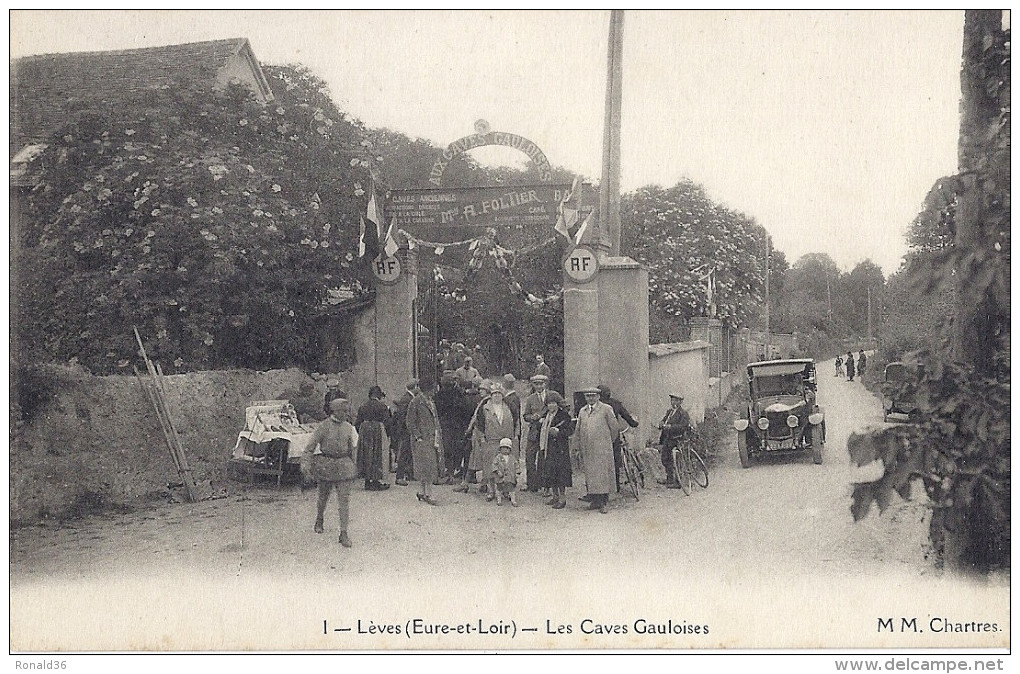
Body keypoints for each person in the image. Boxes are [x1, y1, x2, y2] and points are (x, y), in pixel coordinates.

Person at [302, 397, 358, 547]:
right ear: (335, 411)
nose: (346, 414)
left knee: (344, 501)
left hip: (344, 466)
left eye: (347, 411)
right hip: (326, 465)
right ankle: (319, 518)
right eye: (343, 411)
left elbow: (353, 449)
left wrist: (354, 467)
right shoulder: (323, 427)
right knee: (323, 498)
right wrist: (305, 466)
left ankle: (344, 533)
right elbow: (309, 448)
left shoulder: (349, 427)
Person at [574, 386, 619, 514]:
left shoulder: (606, 409)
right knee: (590, 474)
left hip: (602, 448)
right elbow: (578, 430)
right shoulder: (582, 411)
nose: (591, 398)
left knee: (602, 474)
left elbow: (614, 428)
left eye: (593, 395)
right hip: (587, 447)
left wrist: (607, 442)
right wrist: (577, 446)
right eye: (588, 396)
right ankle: (594, 500)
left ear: (598, 396)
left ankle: (603, 502)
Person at [472, 384, 517, 502]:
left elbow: (516, 421)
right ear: (491, 396)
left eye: (499, 394)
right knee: (491, 466)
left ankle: (505, 490)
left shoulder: (508, 408)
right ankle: (491, 490)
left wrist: (514, 437)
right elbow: (480, 425)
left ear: (502, 396)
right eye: (494, 394)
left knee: (506, 465)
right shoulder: (485, 408)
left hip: (506, 439)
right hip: (491, 440)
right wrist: (482, 438)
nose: (497, 396)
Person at [597, 384, 639, 494]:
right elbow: (627, 416)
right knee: (615, 460)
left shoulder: (598, 405)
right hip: (613, 435)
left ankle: (601, 487)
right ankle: (615, 486)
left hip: (599, 437)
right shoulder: (616, 403)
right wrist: (634, 423)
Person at [405, 379, 441, 505]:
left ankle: (422, 491)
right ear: (427, 389)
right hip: (422, 439)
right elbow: (410, 422)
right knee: (427, 466)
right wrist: (417, 436)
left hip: (431, 438)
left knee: (426, 466)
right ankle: (429, 493)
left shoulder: (430, 401)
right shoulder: (416, 402)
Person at [539, 397, 575, 509]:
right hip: (548, 448)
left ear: (557, 404)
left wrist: (559, 431)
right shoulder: (546, 415)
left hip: (560, 449)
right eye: (549, 404)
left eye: (553, 403)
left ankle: (562, 499)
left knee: (560, 473)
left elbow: (570, 430)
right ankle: (555, 496)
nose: (551, 406)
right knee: (551, 472)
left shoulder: (564, 416)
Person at [355, 386, 391, 491]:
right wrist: (386, 434)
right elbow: (388, 422)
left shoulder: (362, 406)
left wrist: (362, 432)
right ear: (379, 395)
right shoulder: (382, 406)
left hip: (365, 430)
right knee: (377, 455)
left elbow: (357, 423)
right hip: (377, 431)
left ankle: (367, 481)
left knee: (366, 455)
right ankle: (375, 481)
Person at [522, 374, 552, 493]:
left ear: (545, 384)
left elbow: (562, 407)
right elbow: (525, 416)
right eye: (536, 384)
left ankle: (544, 484)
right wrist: (532, 417)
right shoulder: (530, 398)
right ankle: (532, 484)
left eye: (541, 384)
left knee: (544, 458)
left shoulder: (551, 395)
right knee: (529, 457)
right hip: (534, 432)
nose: (539, 386)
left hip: (546, 432)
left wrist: (548, 419)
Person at [656, 394, 692, 487]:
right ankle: (669, 479)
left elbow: (683, 426)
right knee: (665, 458)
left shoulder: (683, 413)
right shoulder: (669, 412)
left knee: (674, 459)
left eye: (676, 401)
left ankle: (677, 481)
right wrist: (661, 423)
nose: (674, 403)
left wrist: (671, 427)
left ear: (680, 402)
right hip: (668, 439)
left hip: (678, 439)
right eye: (672, 400)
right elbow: (664, 421)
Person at [389, 382, 415, 486]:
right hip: (406, 430)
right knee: (404, 452)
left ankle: (408, 473)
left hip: (406, 429)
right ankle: (399, 476)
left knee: (408, 452)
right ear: (415, 387)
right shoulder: (407, 399)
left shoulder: (408, 397)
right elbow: (403, 416)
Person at [489, 437, 519, 507]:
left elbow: (516, 464)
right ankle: (499, 500)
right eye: (504, 448)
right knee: (499, 487)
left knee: (511, 487)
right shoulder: (498, 457)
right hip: (500, 476)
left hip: (510, 476)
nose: (506, 450)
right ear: (500, 449)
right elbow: (494, 465)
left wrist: (517, 472)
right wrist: (497, 471)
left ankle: (513, 500)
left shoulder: (512, 457)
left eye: (508, 448)